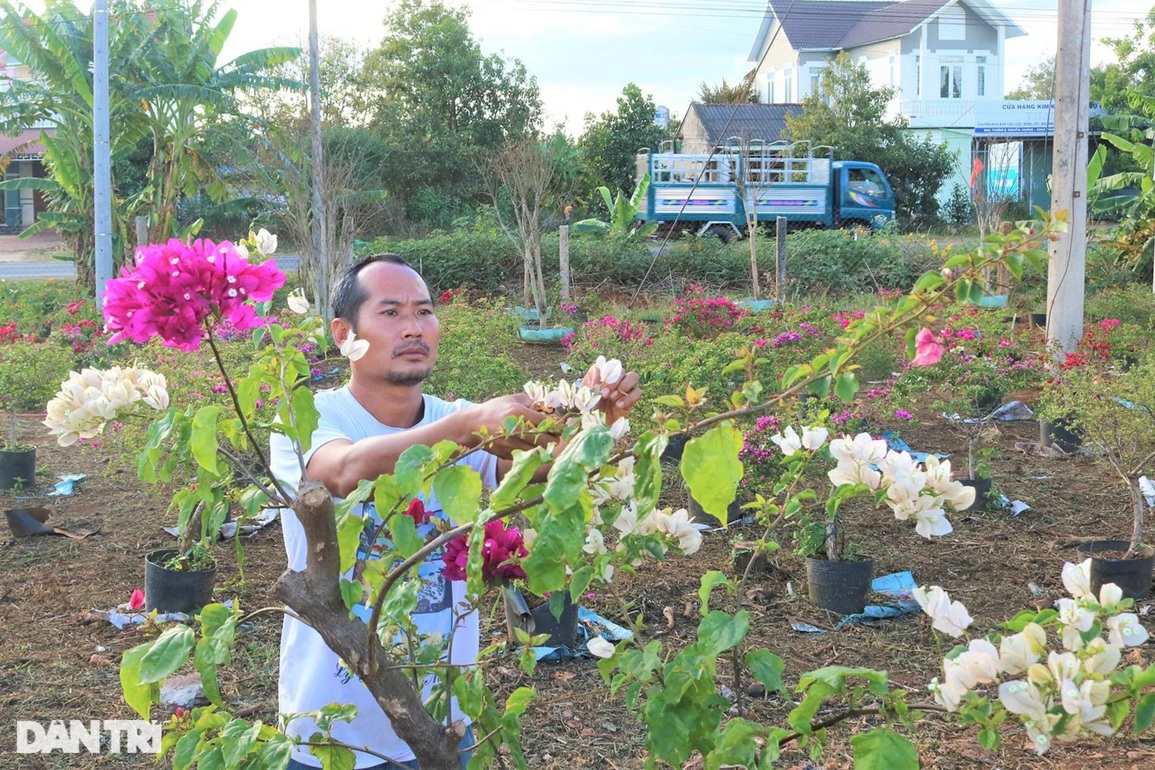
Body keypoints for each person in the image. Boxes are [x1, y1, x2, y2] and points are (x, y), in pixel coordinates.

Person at [270, 254, 640, 769]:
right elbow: (343, 471)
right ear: (343, 332)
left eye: (424, 312)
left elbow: (549, 470)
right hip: (332, 735)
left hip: (441, 724)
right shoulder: (310, 418)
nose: (414, 327)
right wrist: (471, 424)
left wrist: (592, 419)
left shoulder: (454, 418)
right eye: (392, 312)